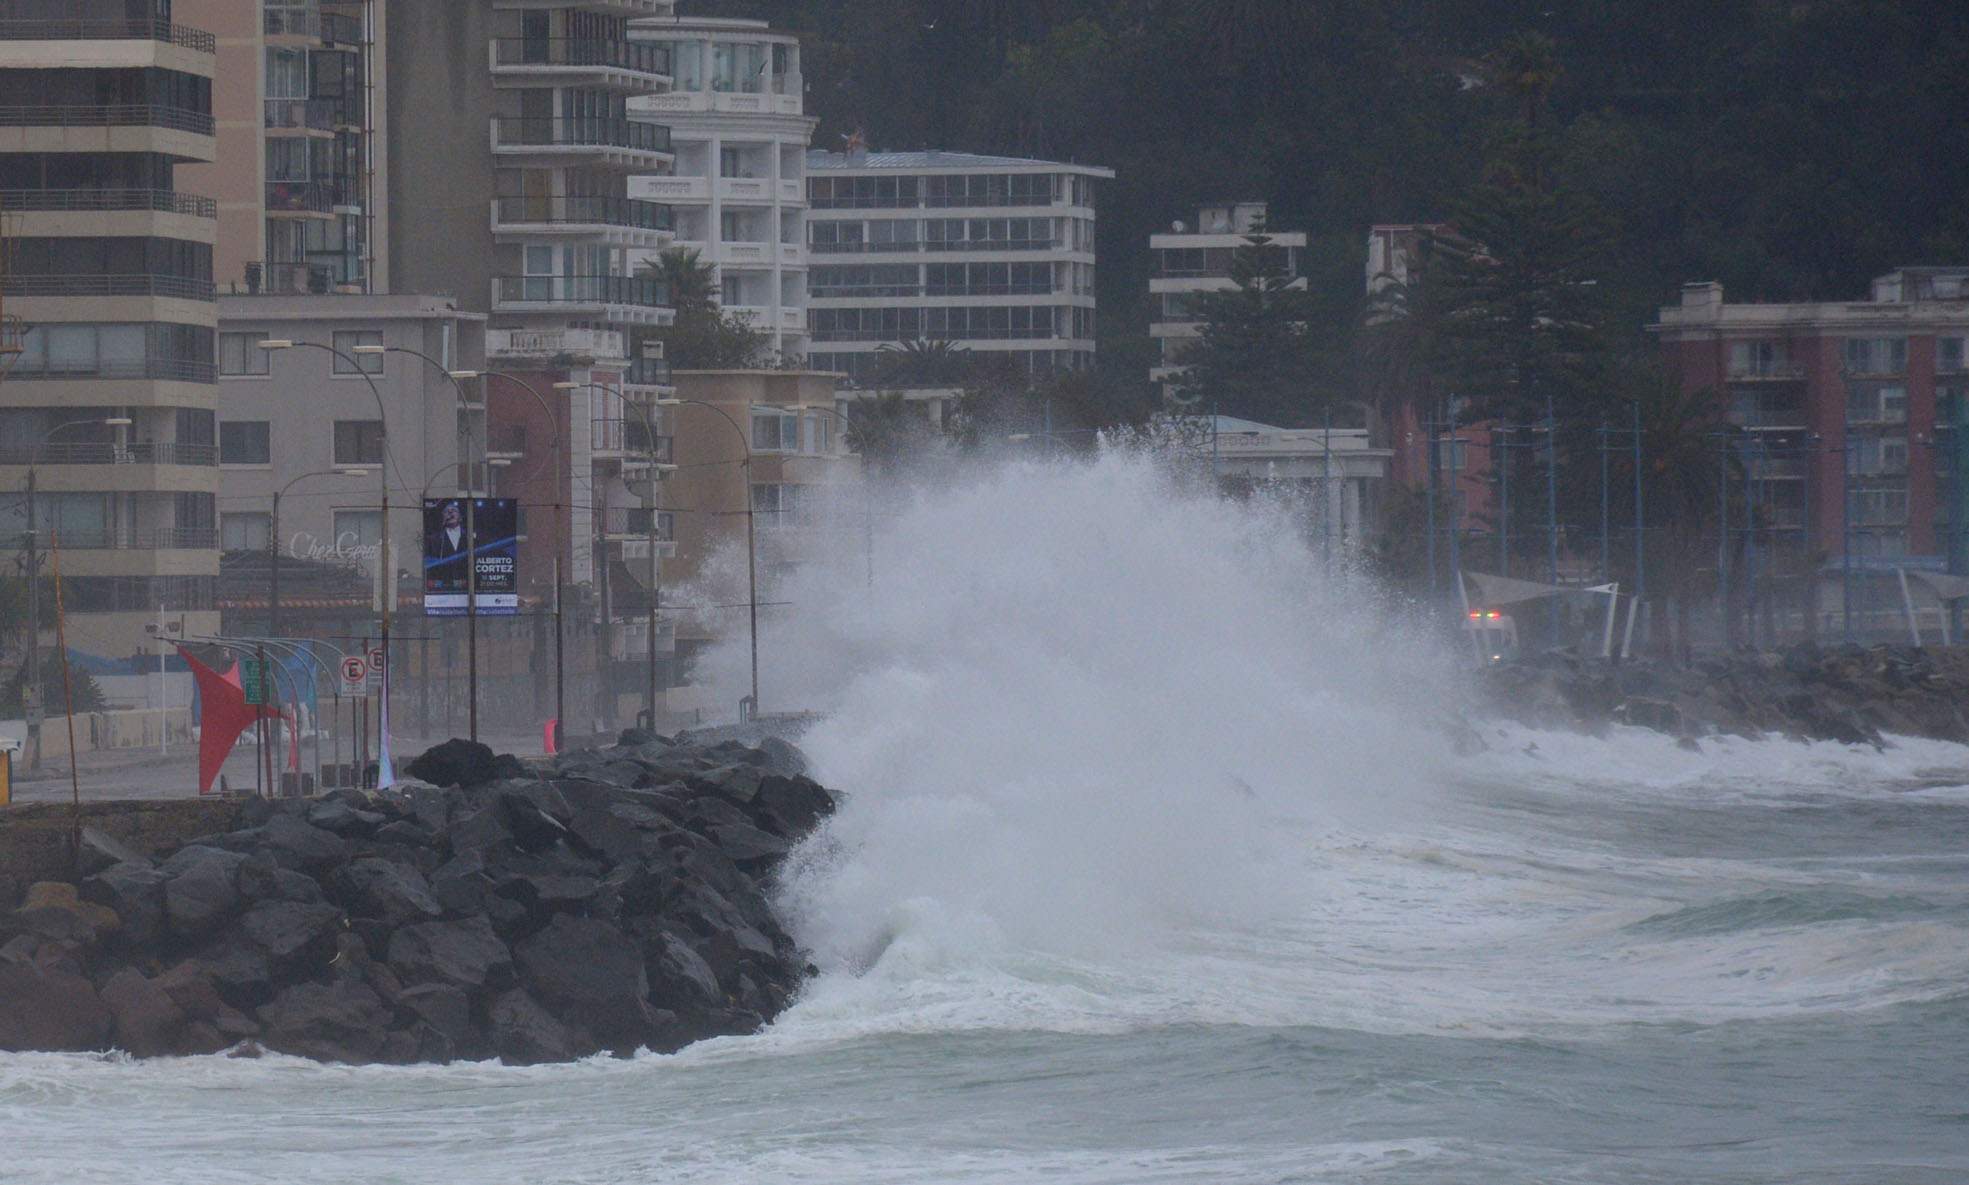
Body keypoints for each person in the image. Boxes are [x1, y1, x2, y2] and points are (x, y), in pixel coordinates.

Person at [425, 499, 469, 591]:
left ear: (460, 517)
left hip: (466, 587)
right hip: (442, 589)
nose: (450, 512)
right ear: (442, 517)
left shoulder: (470, 537)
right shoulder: (433, 539)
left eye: (454, 510)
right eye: (446, 511)